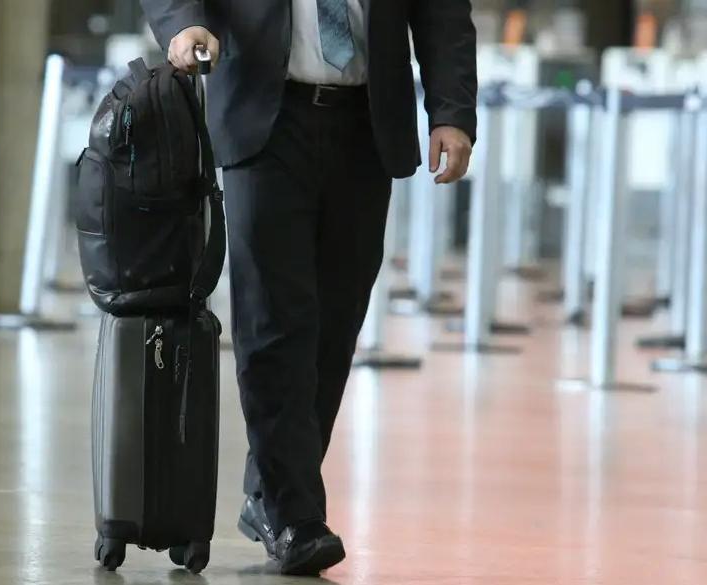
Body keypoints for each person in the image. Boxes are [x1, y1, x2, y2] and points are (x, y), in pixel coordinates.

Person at [138, 0, 478, 575]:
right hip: (265, 119)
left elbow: (442, 11)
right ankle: (295, 516)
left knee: (334, 324)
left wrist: (452, 111)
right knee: (275, 321)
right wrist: (181, 24)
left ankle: (267, 490)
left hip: (365, 125)